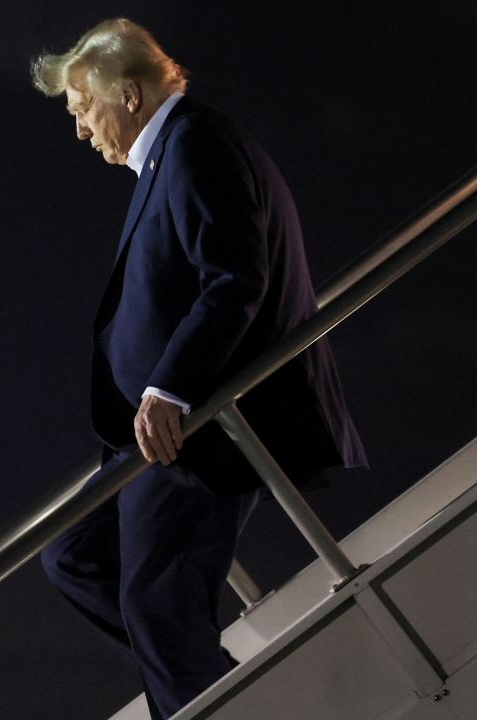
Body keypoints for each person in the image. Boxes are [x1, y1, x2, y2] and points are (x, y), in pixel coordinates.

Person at [29, 18, 366, 719]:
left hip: (203, 426)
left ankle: (216, 695)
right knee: (73, 557)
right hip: (159, 432)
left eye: (82, 108)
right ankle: (212, 681)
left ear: (126, 95)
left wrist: (168, 389)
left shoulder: (196, 145)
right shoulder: (173, 154)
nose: (81, 130)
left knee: (158, 603)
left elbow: (235, 277)